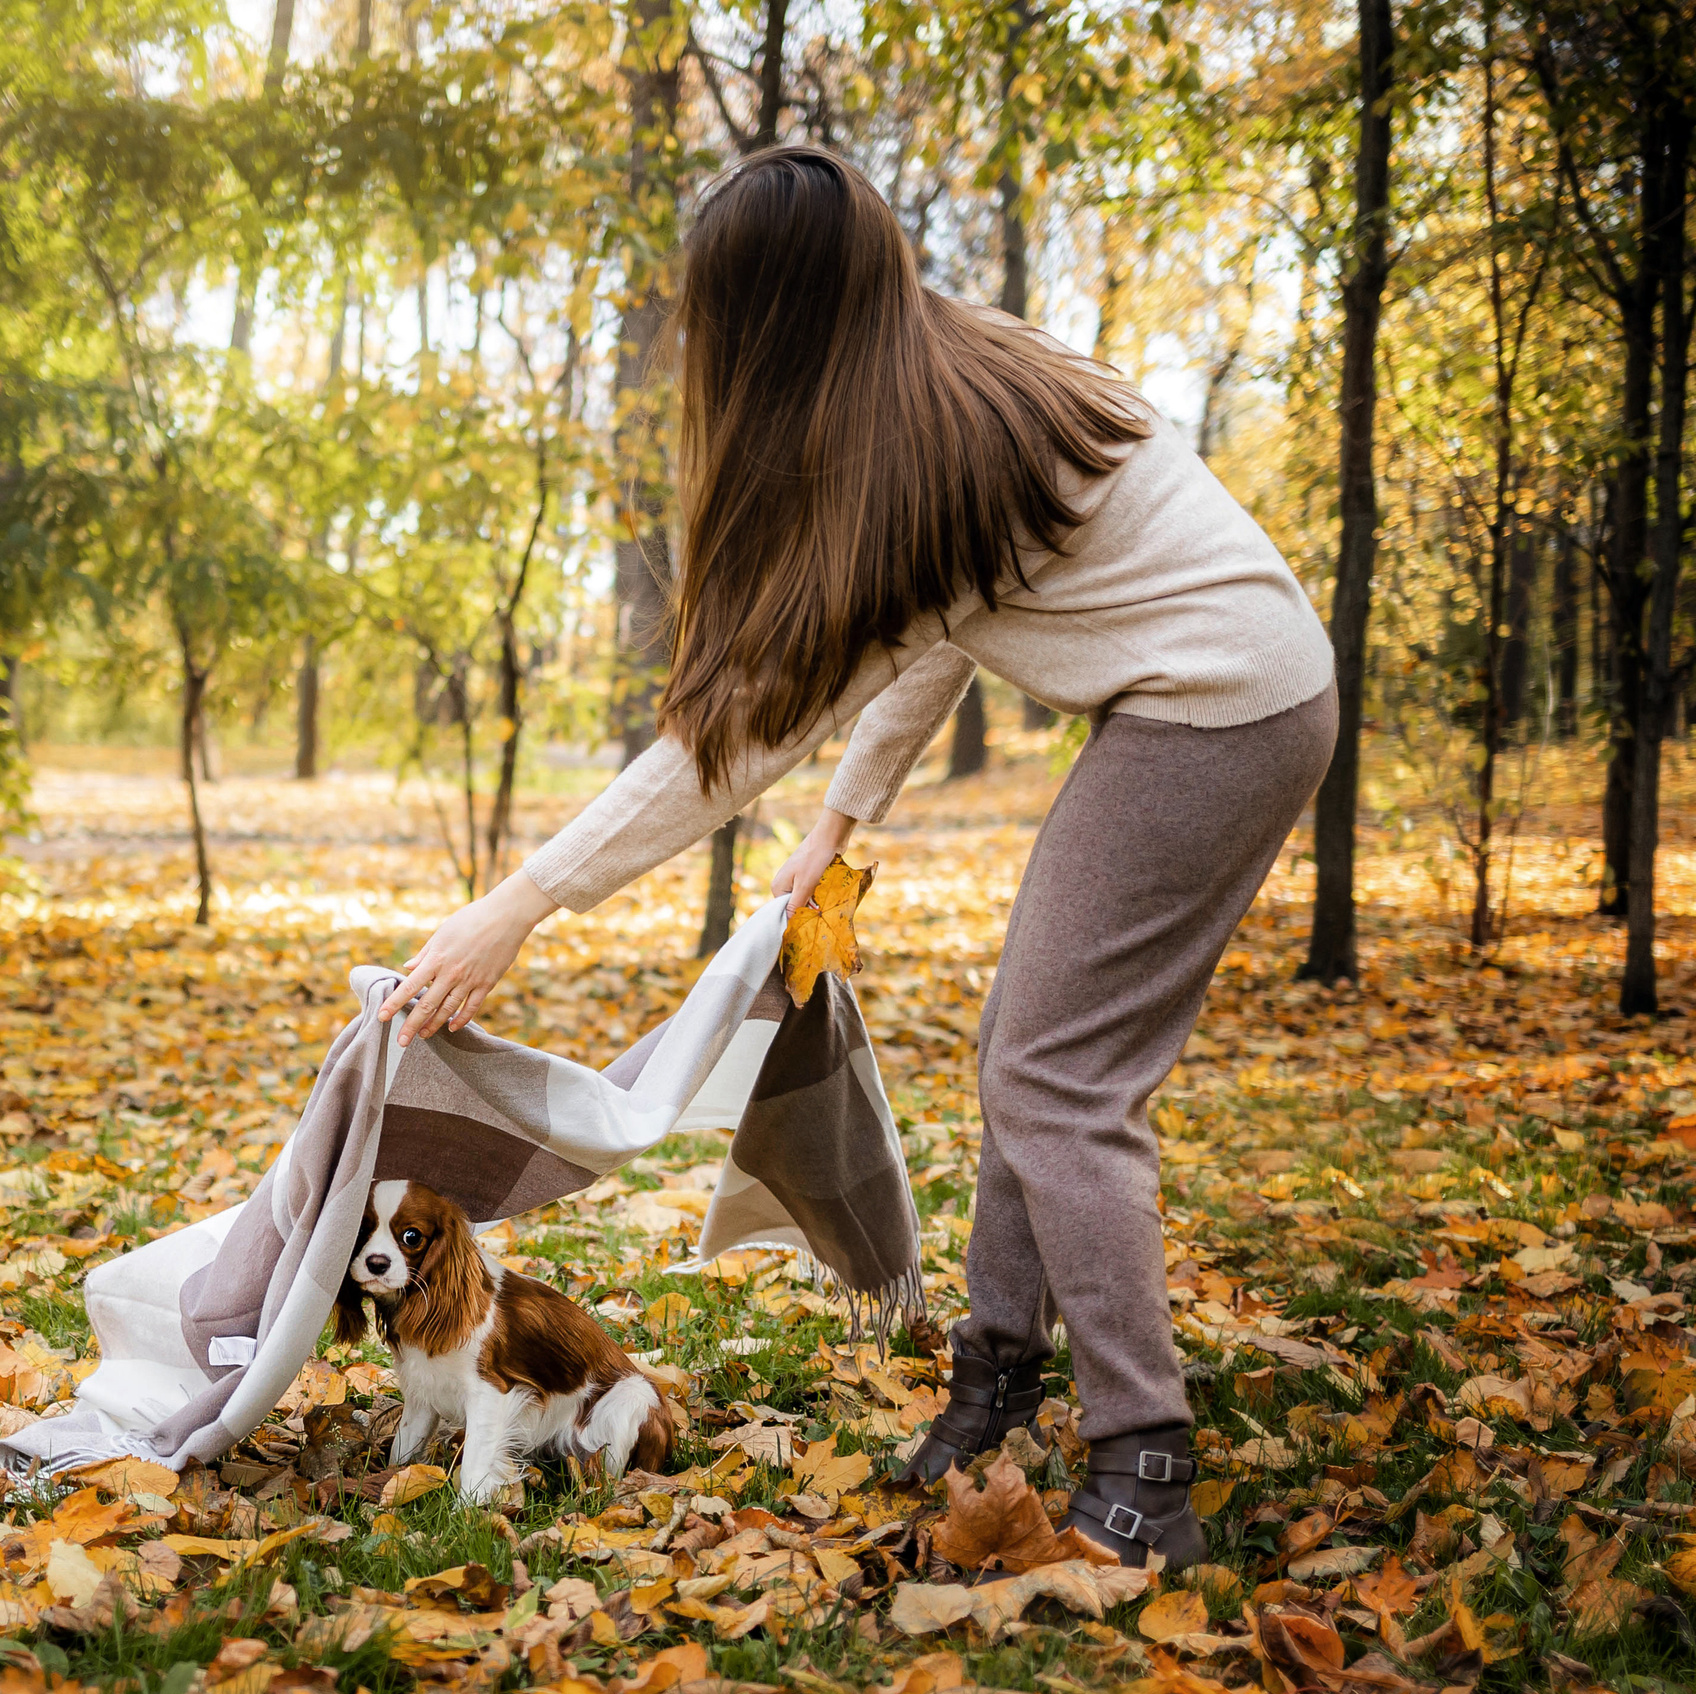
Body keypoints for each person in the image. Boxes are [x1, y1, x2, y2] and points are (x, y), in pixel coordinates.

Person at [375, 145, 1334, 1571]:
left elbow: (730, 747)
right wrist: (844, 820)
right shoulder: (936, 386)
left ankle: (1147, 1464)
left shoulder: (924, 442)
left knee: (1057, 1080)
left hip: (1220, 714)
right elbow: (938, 629)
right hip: (1219, 695)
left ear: (763, 326)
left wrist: (519, 903)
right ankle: (993, 1378)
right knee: (1027, 1046)